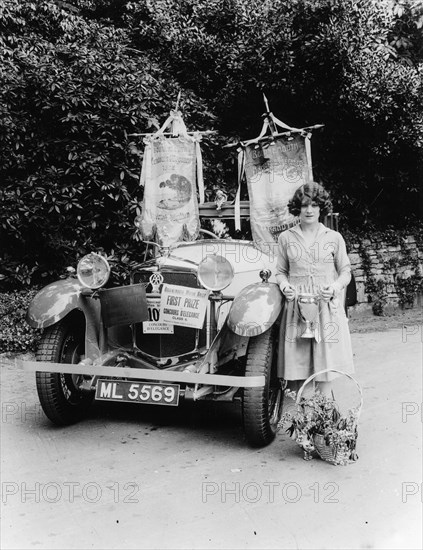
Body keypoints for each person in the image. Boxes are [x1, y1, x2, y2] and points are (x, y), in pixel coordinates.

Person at [276, 181, 354, 396]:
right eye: (303, 205)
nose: (308, 210)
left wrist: (335, 287)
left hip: (325, 308)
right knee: (296, 371)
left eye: (314, 205)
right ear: (297, 209)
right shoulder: (286, 238)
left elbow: (345, 272)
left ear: (322, 208)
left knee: (325, 370)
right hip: (296, 310)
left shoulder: (334, 238)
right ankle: (301, 423)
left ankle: (325, 422)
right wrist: (284, 286)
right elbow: (280, 271)